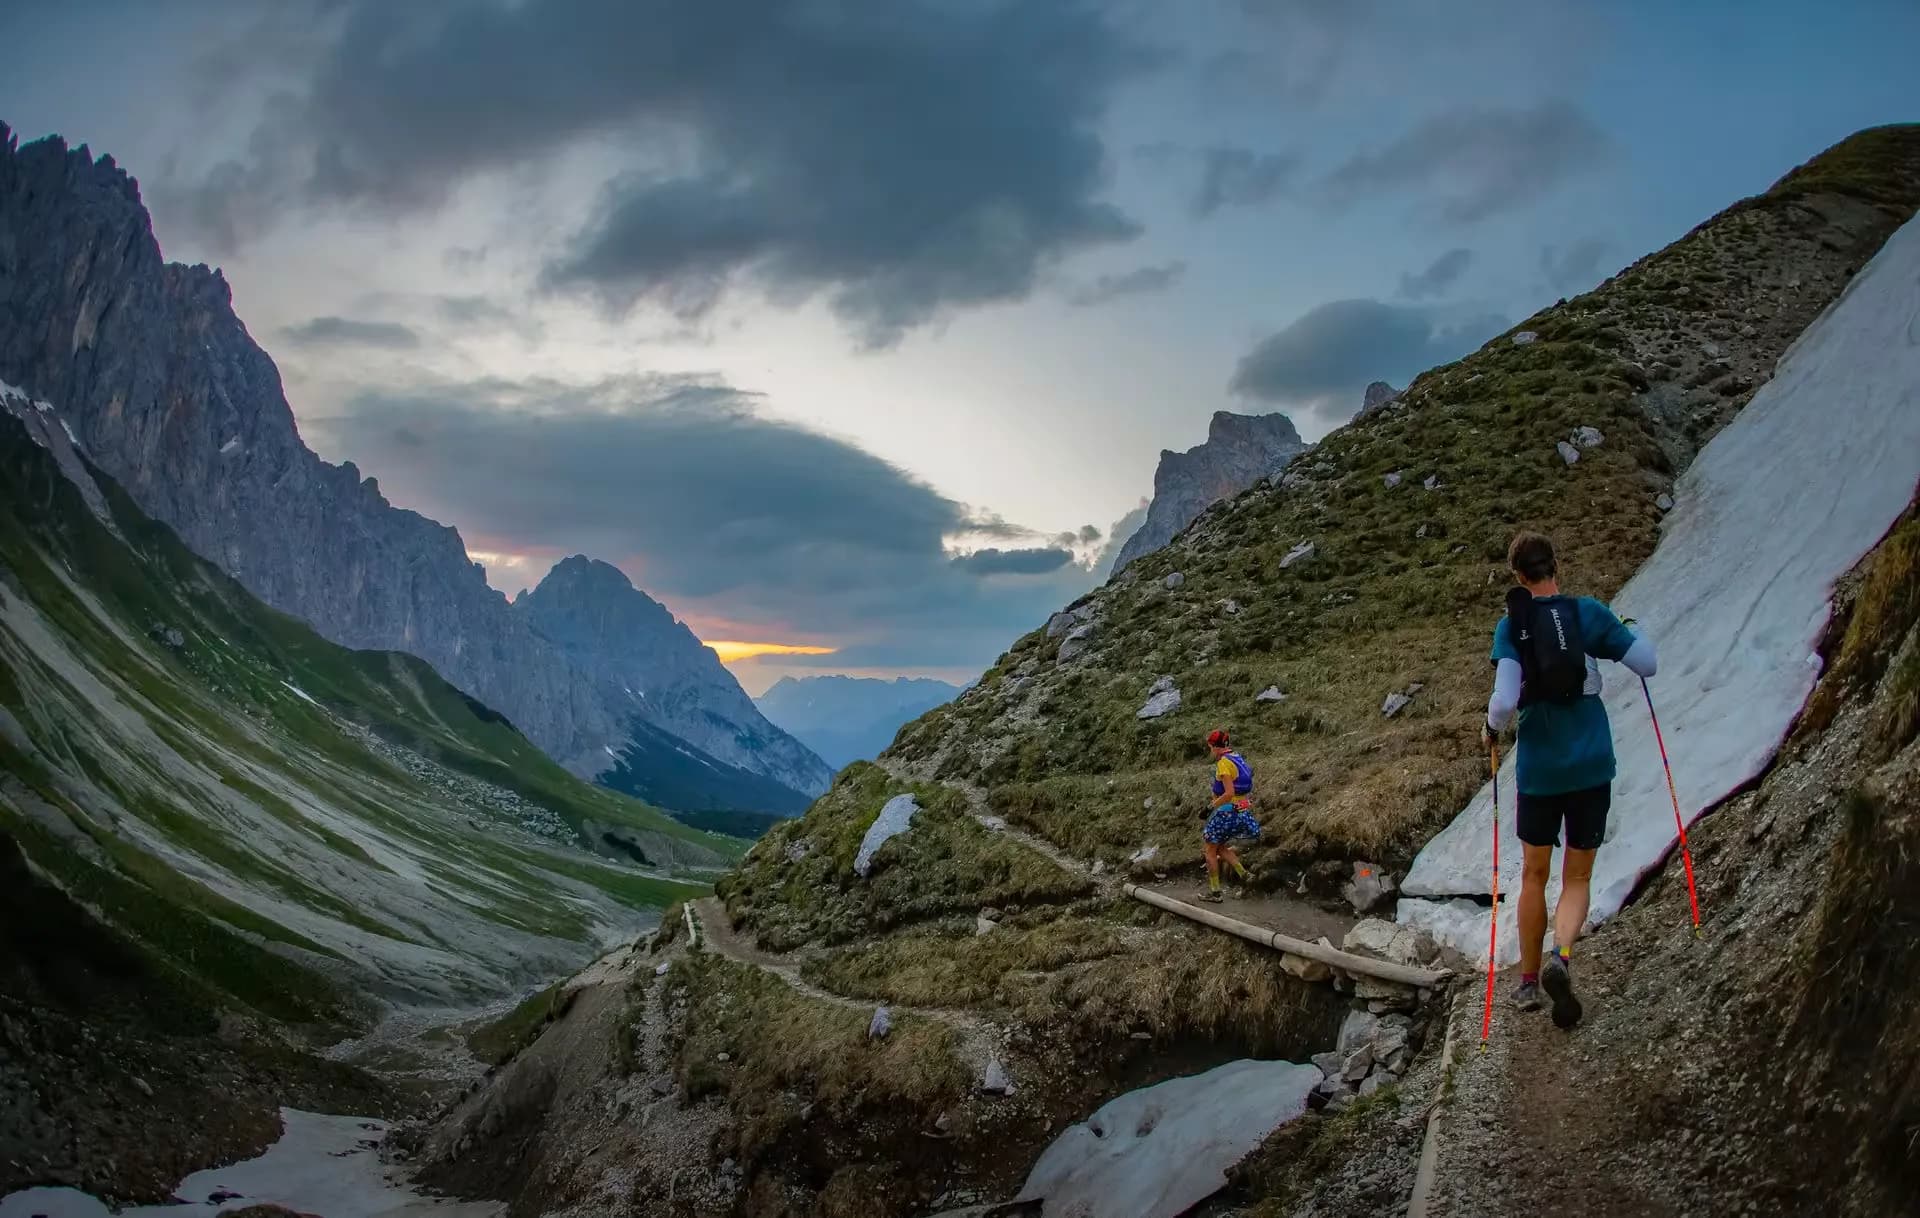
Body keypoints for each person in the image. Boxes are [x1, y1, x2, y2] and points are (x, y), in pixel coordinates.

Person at [1484, 531, 1657, 1028]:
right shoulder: (1588, 613)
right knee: (1577, 876)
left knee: (1534, 874)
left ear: (1518, 575)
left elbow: (1503, 702)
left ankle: (1527, 983)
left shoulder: (1512, 625)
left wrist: (1490, 730)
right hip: (1591, 763)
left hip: (1541, 768)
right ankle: (1561, 954)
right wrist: (1631, 627)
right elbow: (1647, 663)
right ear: (1555, 566)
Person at [1198, 728, 1260, 903]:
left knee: (1209, 851)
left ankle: (1215, 893)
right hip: (1240, 810)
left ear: (1215, 746)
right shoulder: (1237, 758)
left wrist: (1209, 807)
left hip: (1226, 812)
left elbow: (1229, 793)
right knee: (1220, 847)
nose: (1210, 750)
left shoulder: (1223, 763)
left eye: (1210, 747)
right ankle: (1245, 875)